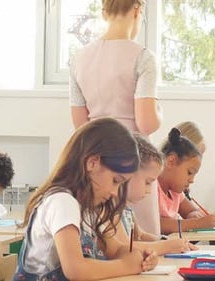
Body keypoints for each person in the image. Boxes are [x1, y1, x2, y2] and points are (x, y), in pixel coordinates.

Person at [13, 117, 157, 281]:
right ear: (92, 163)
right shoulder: (62, 202)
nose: (115, 193)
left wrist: (138, 256)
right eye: (115, 181)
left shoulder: (90, 208)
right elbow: (76, 270)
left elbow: (115, 250)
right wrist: (126, 265)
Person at [70, 0, 163, 240]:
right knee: (143, 241)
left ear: (104, 12)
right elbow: (146, 123)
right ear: (137, 10)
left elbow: (80, 123)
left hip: (96, 158)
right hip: (134, 159)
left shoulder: (79, 58)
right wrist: (159, 111)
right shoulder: (142, 57)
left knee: (104, 239)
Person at [113, 134, 196, 255]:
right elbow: (124, 245)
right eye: (147, 182)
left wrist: (167, 241)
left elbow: (140, 235)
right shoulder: (110, 209)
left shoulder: (125, 208)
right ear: (126, 174)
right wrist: (165, 246)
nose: (149, 190)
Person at [157, 128, 215, 234]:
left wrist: (194, 215)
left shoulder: (175, 192)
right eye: (189, 172)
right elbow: (158, 224)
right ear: (171, 161)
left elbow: (192, 211)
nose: (192, 180)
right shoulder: (153, 188)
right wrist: (197, 223)